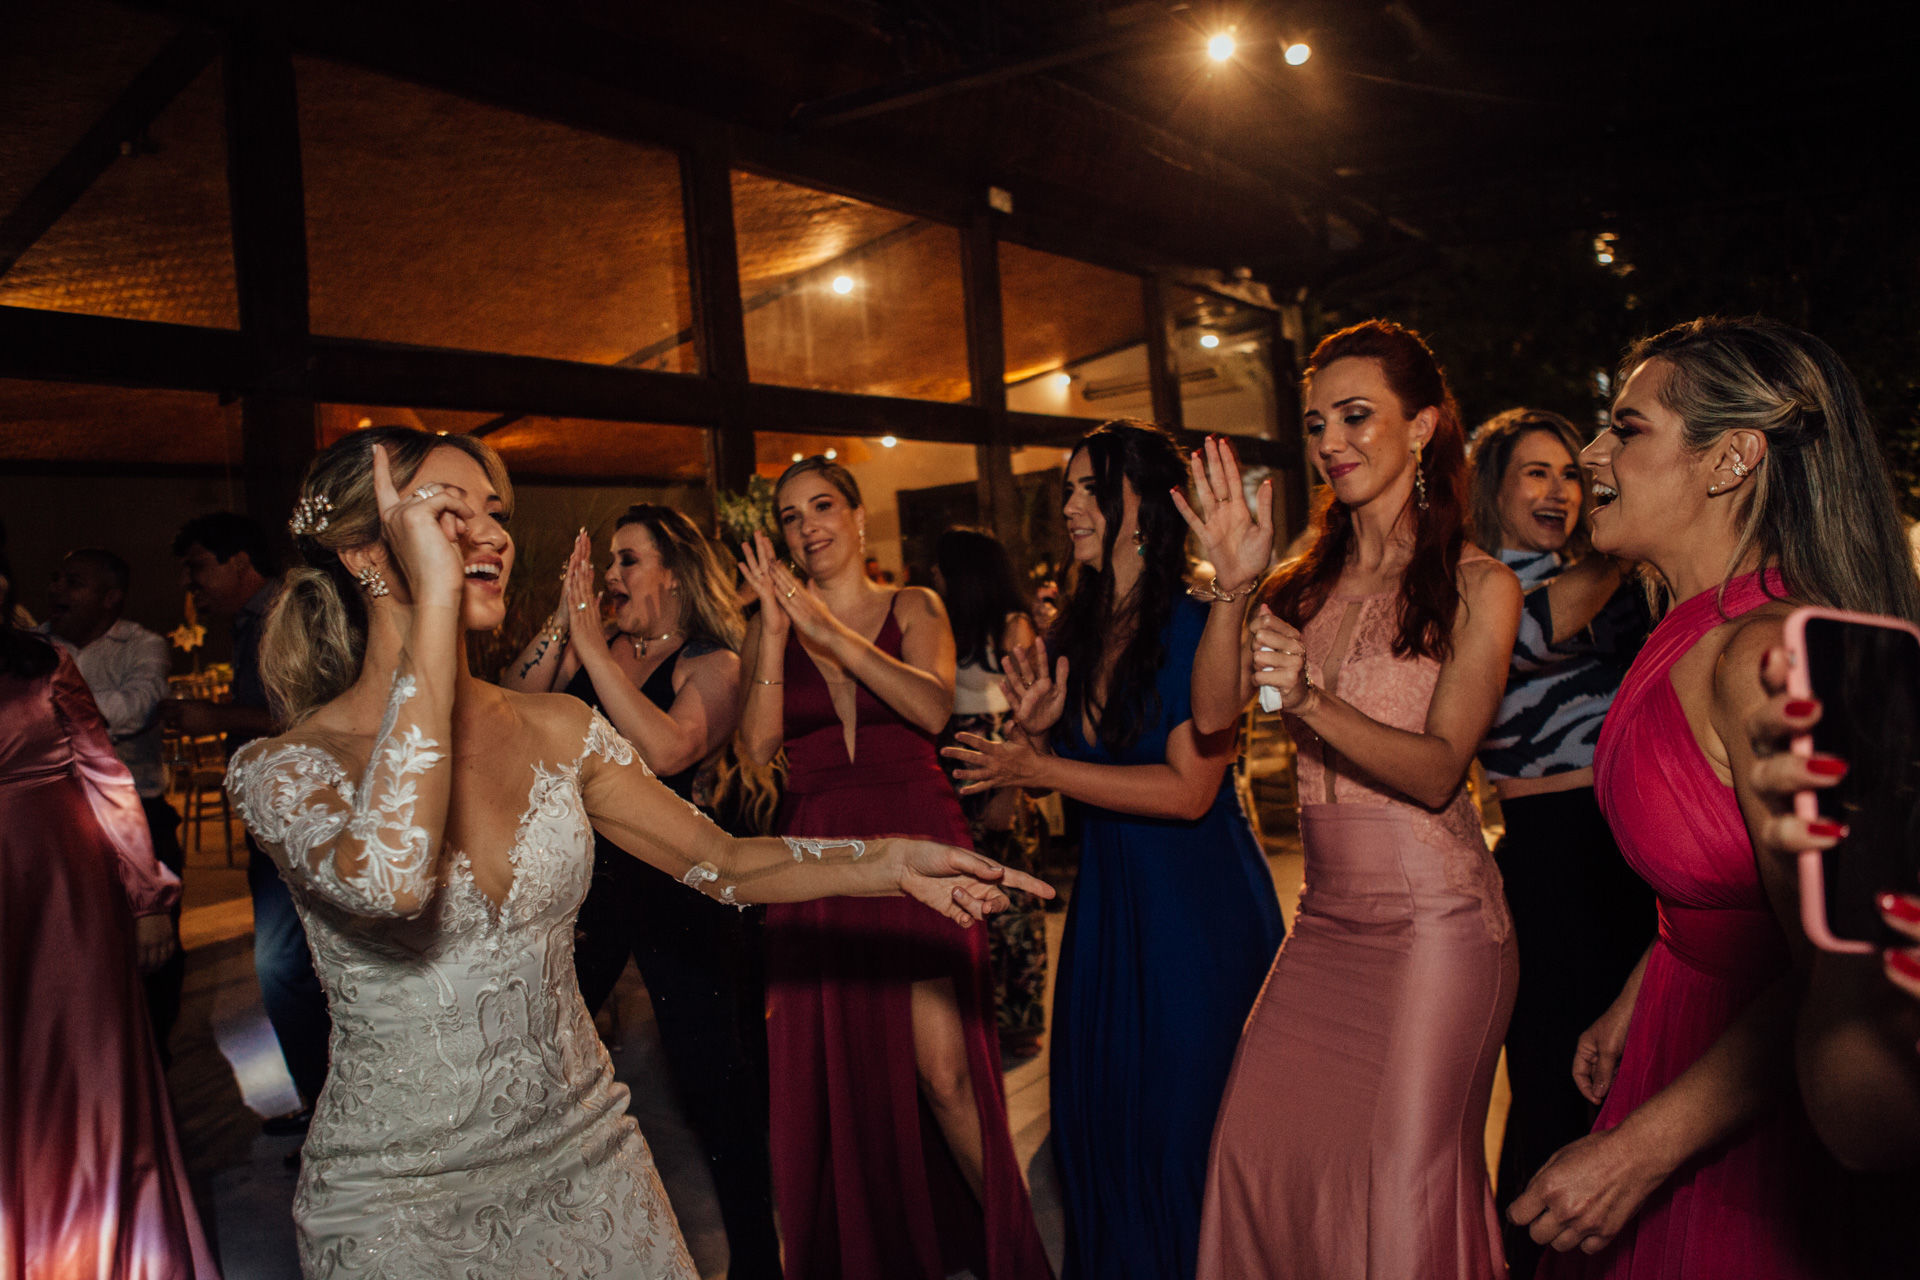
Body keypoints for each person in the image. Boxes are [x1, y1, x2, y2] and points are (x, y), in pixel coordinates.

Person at [224, 428, 1047, 1279]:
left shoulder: (559, 729)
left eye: (495, 513)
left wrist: (887, 863)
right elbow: (394, 878)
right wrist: (434, 608)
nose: (493, 534)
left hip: (591, 1163)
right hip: (402, 1202)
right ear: (366, 552)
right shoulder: (285, 768)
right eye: (450, 512)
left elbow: (724, 859)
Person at [1503, 317, 1920, 1277]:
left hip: (1748, 1097)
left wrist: (1633, 1152)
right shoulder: (1685, 629)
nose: (1592, 454)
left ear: (1731, 459)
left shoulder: (1760, 658)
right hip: (1683, 1027)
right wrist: (1644, 986)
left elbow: (1833, 965)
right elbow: (1726, 870)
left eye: (1627, 428)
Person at [1181, 321, 1523, 1279]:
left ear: (1422, 427)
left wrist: (1313, 694)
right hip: (1325, 928)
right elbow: (1212, 716)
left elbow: (1436, 770)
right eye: (1317, 422)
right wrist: (1235, 589)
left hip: (1437, 932)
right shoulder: (1296, 584)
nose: (1331, 440)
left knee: (1398, 1194)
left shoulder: (1478, 585)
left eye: (1357, 415)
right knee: (1256, 1154)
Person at [944, 420, 1285, 1280]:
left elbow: (1190, 791)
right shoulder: (1074, 632)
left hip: (1193, 917)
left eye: (1084, 489)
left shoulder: (1197, 621)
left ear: (1139, 504)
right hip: (1107, 916)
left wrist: (1048, 765)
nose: (1068, 509)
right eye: (1065, 493)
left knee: (1184, 1133)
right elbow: (1012, 807)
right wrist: (1028, 753)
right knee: (1098, 1126)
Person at [738, 457, 1051, 1280]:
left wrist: (830, 630)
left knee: (943, 1075)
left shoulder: (915, 605)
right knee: (843, 1078)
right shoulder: (769, 621)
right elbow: (755, 749)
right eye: (791, 514)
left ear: (858, 517)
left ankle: (1017, 1261)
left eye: (823, 506)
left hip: (914, 832)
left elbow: (930, 705)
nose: (809, 525)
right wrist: (775, 631)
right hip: (816, 855)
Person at [503, 505, 780, 1279]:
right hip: (585, 884)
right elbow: (511, 696)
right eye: (609, 564)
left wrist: (592, 648)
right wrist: (568, 621)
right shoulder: (595, 647)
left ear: (672, 570)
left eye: (628, 561)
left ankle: (759, 1262)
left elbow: (666, 749)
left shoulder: (711, 664)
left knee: (714, 1083)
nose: (614, 578)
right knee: (538, 1054)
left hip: (678, 880)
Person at [1463, 409, 1657, 1277]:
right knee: (1553, 1092)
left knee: (1636, 1087)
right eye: (1535, 473)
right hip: (1550, 858)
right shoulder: (1480, 587)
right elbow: (1539, 633)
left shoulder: (1607, 574)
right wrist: (1647, 524)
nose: (1559, 490)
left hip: (1630, 850)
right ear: (1493, 489)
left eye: (1570, 474)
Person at [1, 545, 220, 1278]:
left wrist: (147, 896)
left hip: (63, 892)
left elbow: (107, 774)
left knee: (80, 1061)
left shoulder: (40, 665)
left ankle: (104, 1246)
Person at [168, 511, 330, 1132]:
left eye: (199, 565)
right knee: (288, 966)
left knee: (282, 965)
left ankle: (325, 1113)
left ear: (241, 562)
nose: (191, 582)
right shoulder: (247, 623)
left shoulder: (282, 619)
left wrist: (218, 719)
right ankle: (320, 1105)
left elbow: (308, 716)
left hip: (302, 811)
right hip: (275, 814)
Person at [42, 547, 193, 1059]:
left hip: (140, 815)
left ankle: (154, 1061)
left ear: (110, 597)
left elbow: (133, 711)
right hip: (58, 820)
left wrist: (43, 711)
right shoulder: (34, 645)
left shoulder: (141, 644)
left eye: (74, 581)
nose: (57, 589)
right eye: (57, 578)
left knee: (155, 950)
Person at [931, 527, 1049, 1062]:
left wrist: (1010, 791)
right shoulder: (943, 626)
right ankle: (977, 1012)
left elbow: (1030, 712)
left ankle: (1018, 1019)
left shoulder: (1011, 626)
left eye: (940, 571)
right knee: (963, 892)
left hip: (997, 759)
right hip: (948, 760)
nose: (932, 580)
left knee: (1013, 894)